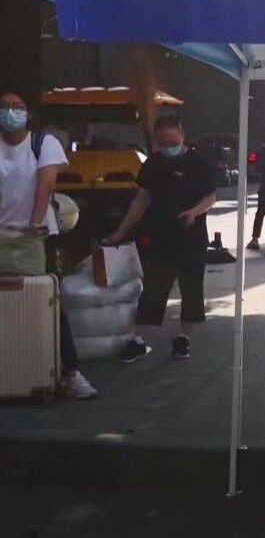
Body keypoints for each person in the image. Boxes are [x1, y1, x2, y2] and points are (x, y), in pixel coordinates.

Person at [0, 91, 97, 399]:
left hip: (37, 237)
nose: (10, 112)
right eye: (4, 107)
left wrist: (33, 225)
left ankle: (71, 372)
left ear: (29, 114)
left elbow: (46, 183)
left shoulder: (44, 144)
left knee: (48, 300)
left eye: (17, 106)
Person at [109, 115, 217, 363]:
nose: (169, 147)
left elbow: (211, 197)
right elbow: (141, 199)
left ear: (182, 134)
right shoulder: (154, 163)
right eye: (164, 143)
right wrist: (121, 231)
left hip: (191, 238)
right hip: (159, 236)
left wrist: (194, 212)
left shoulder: (198, 162)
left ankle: (183, 338)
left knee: (191, 290)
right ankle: (139, 340)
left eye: (173, 142)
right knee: (153, 289)